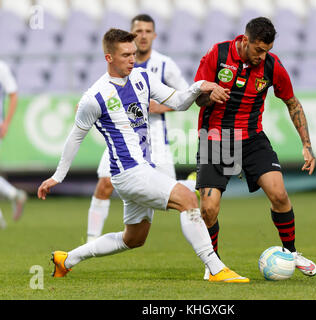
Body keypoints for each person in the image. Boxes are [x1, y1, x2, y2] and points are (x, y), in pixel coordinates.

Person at [37, 28, 249, 283]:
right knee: (187, 199)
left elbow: (180, 102)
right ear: (109, 58)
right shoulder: (94, 98)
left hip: (142, 169)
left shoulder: (142, 78)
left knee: (134, 239)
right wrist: (57, 177)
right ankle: (216, 269)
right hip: (128, 172)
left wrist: (197, 87)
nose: (132, 59)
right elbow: (75, 138)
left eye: (134, 54)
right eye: (125, 54)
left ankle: (67, 259)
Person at [194, 17, 316, 279]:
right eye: (258, 50)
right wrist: (209, 94)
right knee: (208, 209)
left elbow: (292, 103)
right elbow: (197, 96)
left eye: (267, 51)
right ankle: (214, 265)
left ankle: (291, 252)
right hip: (215, 138)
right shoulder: (218, 54)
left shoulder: (272, 66)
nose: (262, 56)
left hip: (252, 138)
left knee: (279, 194)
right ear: (245, 40)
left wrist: (306, 145)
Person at [86, 14, 196, 243]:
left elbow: (185, 96)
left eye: (148, 31)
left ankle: (197, 181)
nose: (143, 36)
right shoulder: (119, 62)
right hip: (121, 137)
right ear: (131, 34)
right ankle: (91, 239)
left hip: (154, 137)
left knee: (172, 190)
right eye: (139, 31)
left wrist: (160, 107)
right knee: (104, 184)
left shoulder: (165, 64)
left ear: (154, 35)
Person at [0, 60, 27, 229]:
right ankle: (14, 194)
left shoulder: (1, 67)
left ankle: (14, 195)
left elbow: (13, 94)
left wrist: (6, 123)